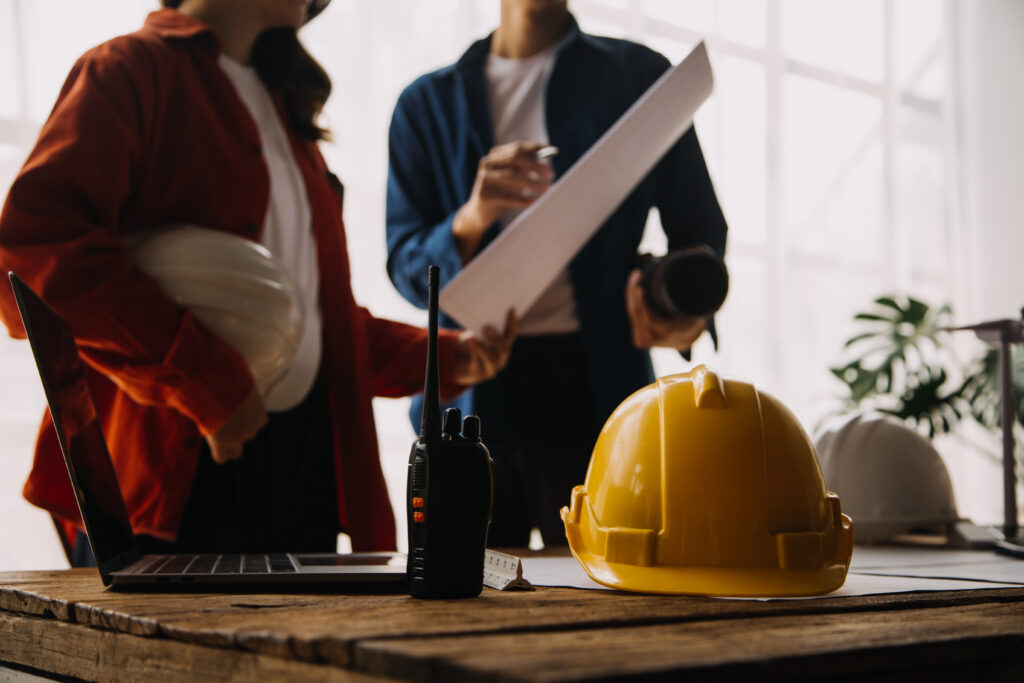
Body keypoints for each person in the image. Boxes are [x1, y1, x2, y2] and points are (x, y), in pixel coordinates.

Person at [0, 0, 515, 564]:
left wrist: (445, 356)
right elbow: (32, 255)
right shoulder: (127, 69)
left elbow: (312, 323)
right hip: (174, 481)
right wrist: (203, 379)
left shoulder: (286, 117)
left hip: (297, 470)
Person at [386, 0, 727, 546]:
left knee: (622, 599)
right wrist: (471, 219)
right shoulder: (425, 105)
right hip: (469, 397)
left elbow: (701, 234)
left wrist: (685, 314)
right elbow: (406, 268)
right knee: (464, 605)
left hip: (602, 388)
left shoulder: (640, 78)